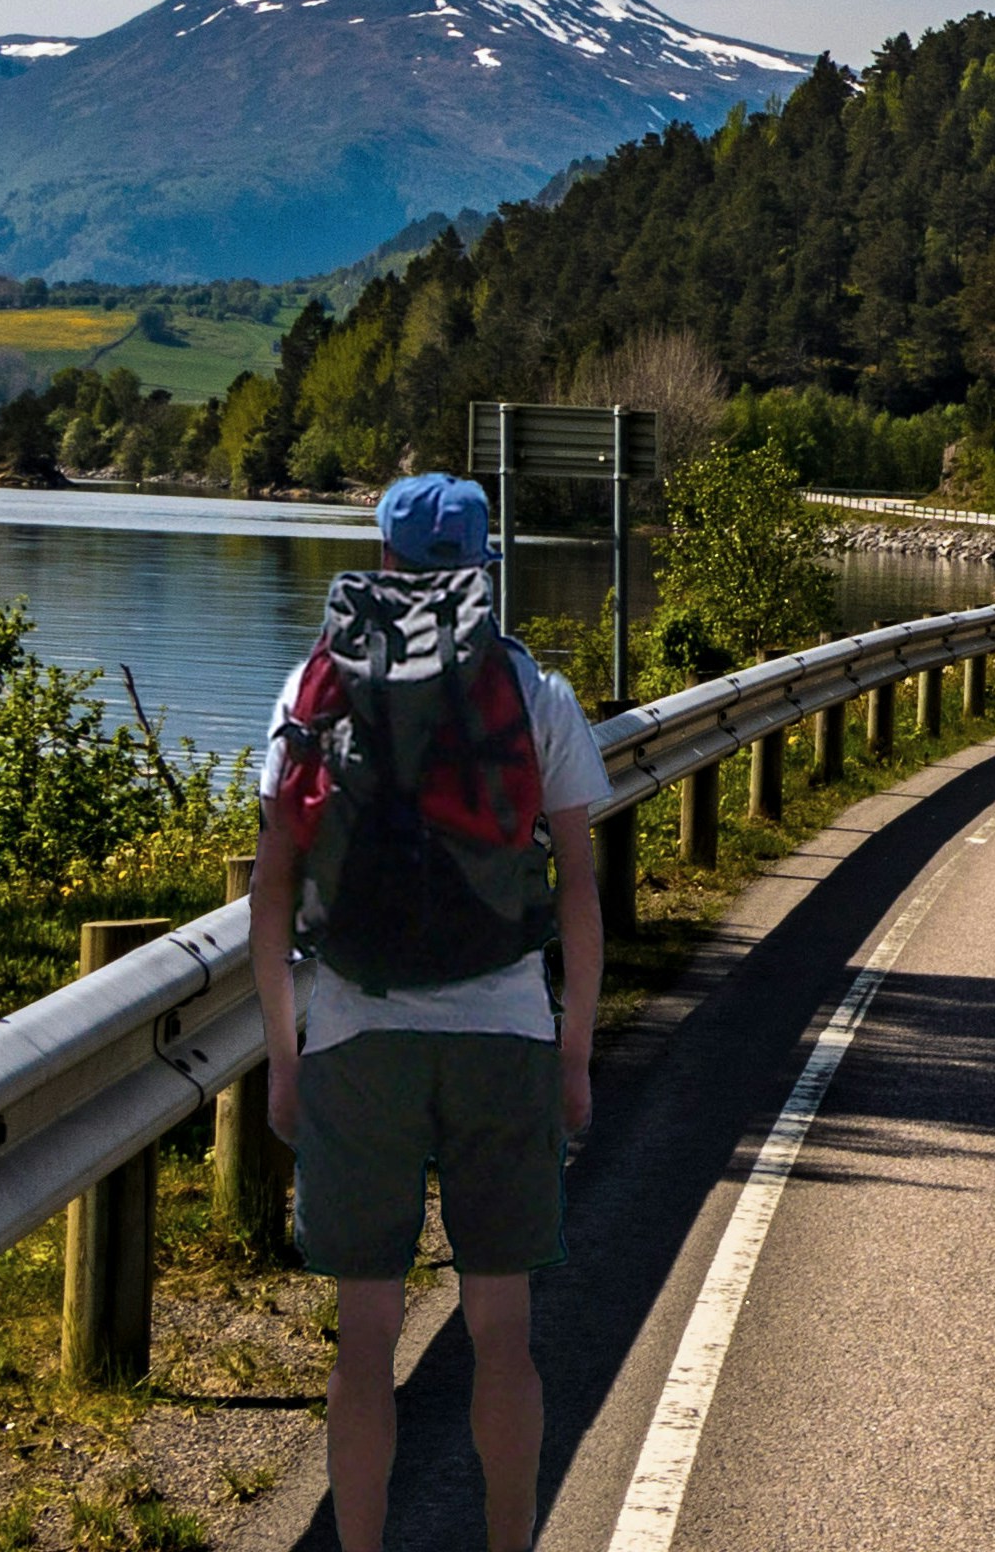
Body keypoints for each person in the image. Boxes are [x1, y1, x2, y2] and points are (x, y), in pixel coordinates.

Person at [250, 472, 605, 1552]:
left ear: (385, 565)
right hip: (503, 1033)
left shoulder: (314, 688)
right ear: (479, 569)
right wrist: (576, 1051)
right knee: (502, 1331)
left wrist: (283, 1052)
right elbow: (579, 886)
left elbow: (270, 889)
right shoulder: (531, 691)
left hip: (358, 1033)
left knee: (364, 1342)